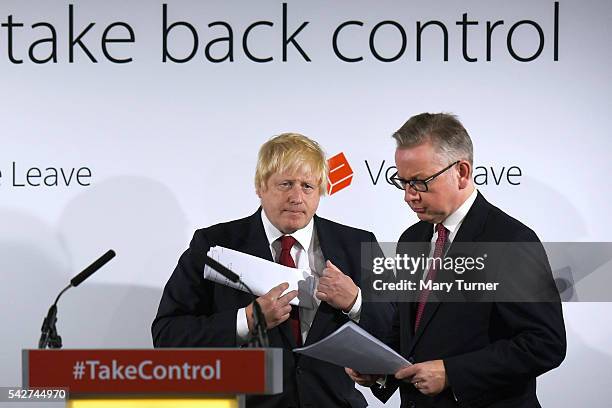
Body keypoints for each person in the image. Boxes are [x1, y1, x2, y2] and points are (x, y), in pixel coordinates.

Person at [152, 132, 388, 408]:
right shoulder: (214, 244)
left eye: (308, 186)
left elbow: (398, 329)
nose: (297, 197)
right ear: (260, 186)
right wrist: (247, 320)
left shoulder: (358, 243)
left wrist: (356, 303)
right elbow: (167, 334)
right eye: (286, 184)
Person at [346, 113, 566, 407]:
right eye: (403, 183)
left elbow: (544, 344)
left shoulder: (509, 239)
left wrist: (453, 373)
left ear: (461, 172)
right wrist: (379, 369)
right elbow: (410, 331)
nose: (409, 196)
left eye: (420, 182)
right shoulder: (411, 238)